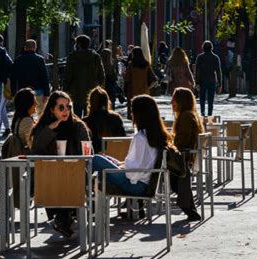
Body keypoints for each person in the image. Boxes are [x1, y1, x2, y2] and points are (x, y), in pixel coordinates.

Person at [30, 91, 91, 237]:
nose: (66, 111)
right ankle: (63, 220)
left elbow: (87, 151)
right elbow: (35, 150)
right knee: (53, 179)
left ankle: (62, 220)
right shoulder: (43, 127)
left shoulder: (78, 126)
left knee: (65, 180)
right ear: (52, 109)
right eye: (61, 107)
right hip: (49, 177)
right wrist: (49, 130)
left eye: (68, 107)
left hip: (75, 174)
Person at [92, 95, 172, 197]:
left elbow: (132, 174)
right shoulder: (156, 135)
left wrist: (120, 168)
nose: (131, 114)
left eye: (132, 111)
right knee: (104, 160)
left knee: (95, 159)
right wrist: (120, 164)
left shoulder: (140, 137)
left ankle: (92, 195)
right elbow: (141, 164)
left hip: (135, 185)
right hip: (144, 182)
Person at [170, 88, 204, 221]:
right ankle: (189, 208)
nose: (172, 102)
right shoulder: (191, 115)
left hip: (183, 158)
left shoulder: (185, 117)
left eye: (174, 100)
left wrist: (170, 144)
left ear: (181, 102)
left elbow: (181, 142)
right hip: (187, 158)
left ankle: (137, 201)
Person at [63, 35, 105, 117]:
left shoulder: (72, 57)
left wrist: (65, 90)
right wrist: (101, 90)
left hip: (76, 92)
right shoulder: (95, 57)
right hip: (92, 93)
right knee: (90, 118)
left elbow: (67, 75)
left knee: (76, 118)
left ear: (78, 44)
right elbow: (101, 75)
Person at [10, 39, 50, 115]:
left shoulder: (18, 59)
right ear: (35, 47)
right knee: (41, 115)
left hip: (23, 91)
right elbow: (45, 77)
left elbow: (13, 78)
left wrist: (13, 93)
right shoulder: (39, 59)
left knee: (24, 113)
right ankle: (40, 127)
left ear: (25, 47)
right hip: (38, 90)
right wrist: (46, 93)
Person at [83, 86, 126, 153]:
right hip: (116, 158)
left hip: (94, 160)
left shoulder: (86, 122)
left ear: (91, 103)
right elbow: (123, 141)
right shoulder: (115, 118)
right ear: (107, 101)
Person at [124, 47, 158, 117]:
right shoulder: (146, 64)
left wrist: (123, 74)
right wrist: (148, 87)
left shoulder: (131, 65)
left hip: (133, 92)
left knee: (134, 112)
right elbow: (154, 78)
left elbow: (127, 78)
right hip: (144, 91)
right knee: (144, 112)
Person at [195, 40, 223, 117]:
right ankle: (210, 114)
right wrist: (220, 84)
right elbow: (218, 71)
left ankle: (202, 113)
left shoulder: (200, 57)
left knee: (202, 99)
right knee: (211, 100)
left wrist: (197, 82)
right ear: (212, 48)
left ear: (203, 48)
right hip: (212, 80)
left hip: (202, 81)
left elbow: (197, 71)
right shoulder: (215, 58)